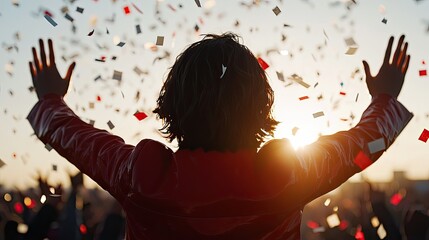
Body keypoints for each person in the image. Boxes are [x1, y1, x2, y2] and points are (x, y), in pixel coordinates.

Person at [27, 33, 412, 239]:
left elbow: (74, 137)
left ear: (171, 105)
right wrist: (383, 99)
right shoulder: (288, 175)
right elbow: (363, 144)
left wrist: (50, 100)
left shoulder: (140, 175)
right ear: (261, 108)